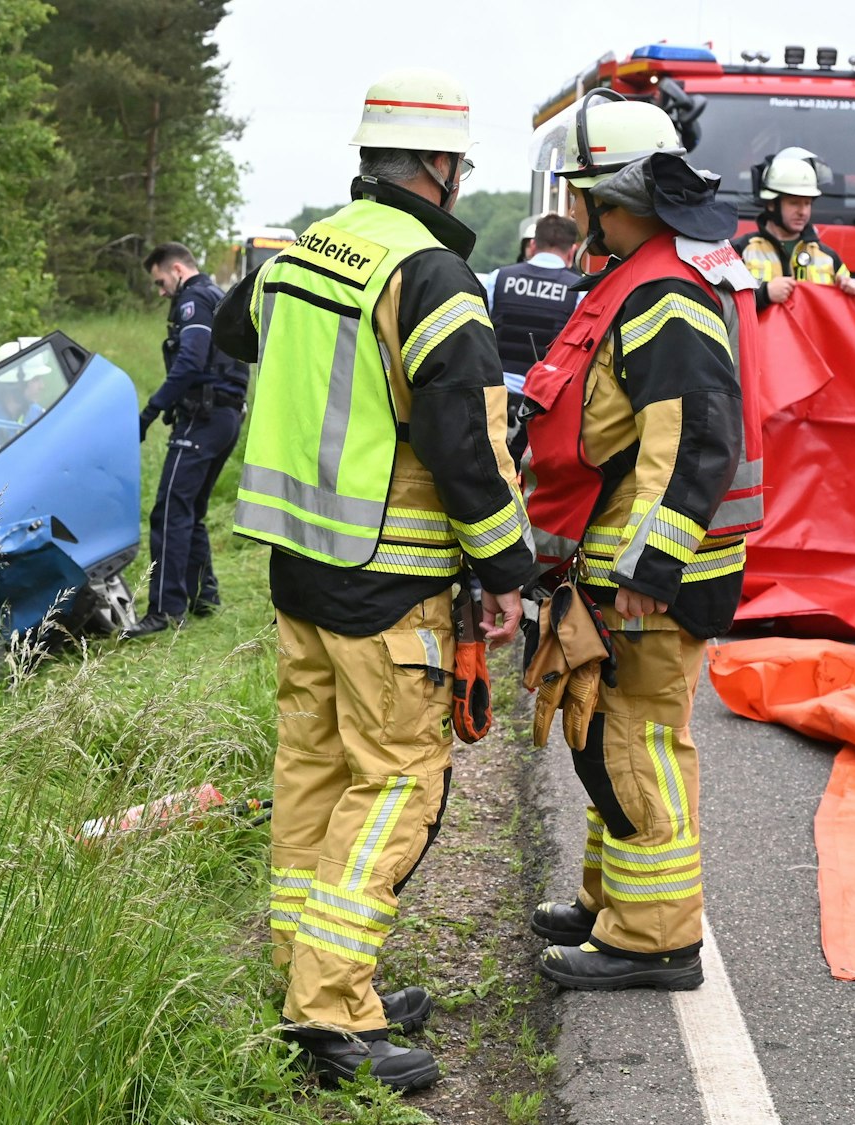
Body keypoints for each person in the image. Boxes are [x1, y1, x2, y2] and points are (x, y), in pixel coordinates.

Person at [211, 66, 535, 1092]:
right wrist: (505, 571)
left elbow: (231, 337)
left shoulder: (303, 250)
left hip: (298, 568)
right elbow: (465, 447)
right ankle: (328, 1014)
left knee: (311, 771)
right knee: (396, 781)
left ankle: (304, 972)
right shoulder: (429, 277)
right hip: (389, 578)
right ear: (439, 168)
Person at [522, 91, 763, 991]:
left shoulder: (661, 297)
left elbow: (694, 442)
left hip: (649, 578)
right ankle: (613, 903)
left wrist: (649, 569)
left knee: (635, 741)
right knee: (605, 732)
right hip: (623, 566)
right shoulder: (643, 282)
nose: (579, 215)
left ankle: (654, 937)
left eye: (587, 198)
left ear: (616, 199)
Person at [122, 242, 251, 639]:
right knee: (190, 509)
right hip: (226, 417)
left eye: (160, 281)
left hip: (203, 418)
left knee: (169, 512)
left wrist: (150, 412)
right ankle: (204, 595)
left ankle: (164, 609)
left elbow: (191, 362)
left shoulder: (194, 301)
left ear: (177, 269)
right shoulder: (219, 296)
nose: (161, 291)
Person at [733, 146, 855, 306]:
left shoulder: (828, 257)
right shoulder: (740, 251)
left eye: (807, 203)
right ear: (771, 204)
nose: (802, 211)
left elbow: (847, 315)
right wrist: (763, 294)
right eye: (794, 203)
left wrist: (852, 293)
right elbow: (725, 303)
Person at [485, 213, 582, 418]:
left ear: (533, 245)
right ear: (572, 251)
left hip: (495, 399)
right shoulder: (578, 291)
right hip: (545, 402)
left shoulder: (499, 278)